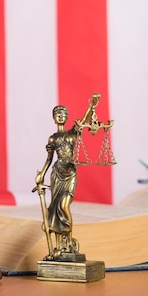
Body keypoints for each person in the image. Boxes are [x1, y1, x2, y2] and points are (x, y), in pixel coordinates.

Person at [32, 93, 100, 260]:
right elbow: (49, 159)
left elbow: (84, 119)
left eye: (63, 114)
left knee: (63, 206)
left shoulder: (72, 133)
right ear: (54, 118)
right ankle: (59, 247)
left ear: (67, 117)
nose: (60, 116)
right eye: (57, 114)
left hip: (70, 173)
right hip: (56, 173)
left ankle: (68, 241)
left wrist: (92, 107)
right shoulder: (53, 138)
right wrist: (41, 174)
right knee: (54, 209)